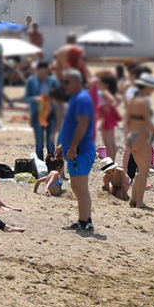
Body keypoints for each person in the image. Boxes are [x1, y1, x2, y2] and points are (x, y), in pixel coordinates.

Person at [55, 69, 96, 232]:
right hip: (77, 149)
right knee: (77, 186)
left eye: (67, 82)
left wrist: (72, 147)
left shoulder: (82, 98)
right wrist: (63, 145)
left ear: (77, 82)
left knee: (80, 187)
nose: (64, 85)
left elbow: (82, 124)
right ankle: (85, 220)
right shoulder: (76, 98)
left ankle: (85, 222)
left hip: (81, 150)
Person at [125, 72, 154, 209]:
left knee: (140, 171)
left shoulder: (132, 99)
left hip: (131, 137)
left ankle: (133, 199)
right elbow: (148, 122)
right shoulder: (144, 101)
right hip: (142, 137)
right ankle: (140, 202)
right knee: (143, 172)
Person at [24, 61, 60, 161]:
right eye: (41, 72)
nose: (43, 75)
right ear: (37, 71)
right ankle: (40, 165)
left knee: (50, 144)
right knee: (39, 144)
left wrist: (52, 98)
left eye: (45, 72)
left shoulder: (53, 81)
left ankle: (51, 164)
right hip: (37, 115)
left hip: (51, 115)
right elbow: (26, 98)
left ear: (48, 71)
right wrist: (35, 99)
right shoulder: (31, 81)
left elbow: (59, 96)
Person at [97, 73, 123, 163]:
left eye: (100, 83)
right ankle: (112, 163)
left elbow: (112, 99)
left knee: (107, 143)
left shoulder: (104, 92)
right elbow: (119, 99)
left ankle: (109, 164)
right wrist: (112, 107)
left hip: (105, 118)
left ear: (106, 84)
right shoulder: (110, 91)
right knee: (112, 142)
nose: (98, 85)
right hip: (110, 117)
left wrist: (106, 106)